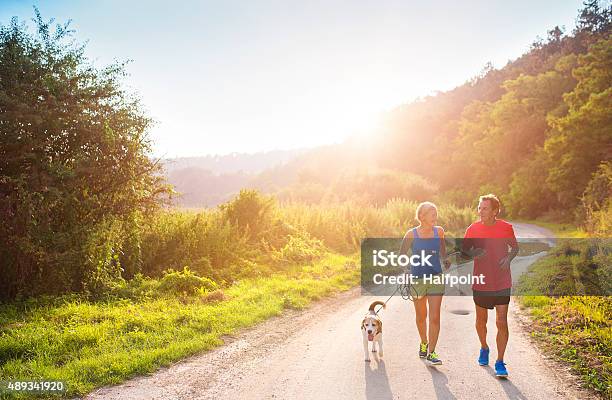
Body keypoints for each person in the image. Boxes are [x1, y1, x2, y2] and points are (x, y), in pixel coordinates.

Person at [462, 194, 519, 378]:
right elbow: (464, 253)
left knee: (501, 321)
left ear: (495, 211)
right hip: (481, 281)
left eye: (485, 208)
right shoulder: (473, 229)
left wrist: (508, 258)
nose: (481, 211)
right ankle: (484, 347)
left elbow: (515, 248)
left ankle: (500, 361)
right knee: (481, 321)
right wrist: (474, 253)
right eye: (479, 207)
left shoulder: (506, 228)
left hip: (502, 281)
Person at [400, 201, 451, 366]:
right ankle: (424, 342)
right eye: (432, 214)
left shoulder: (440, 232)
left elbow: (442, 251)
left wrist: (445, 259)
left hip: (436, 278)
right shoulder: (411, 234)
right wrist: (406, 270)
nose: (435, 217)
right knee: (421, 316)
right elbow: (401, 255)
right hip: (417, 280)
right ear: (421, 216)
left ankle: (432, 352)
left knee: (435, 317)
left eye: (436, 214)